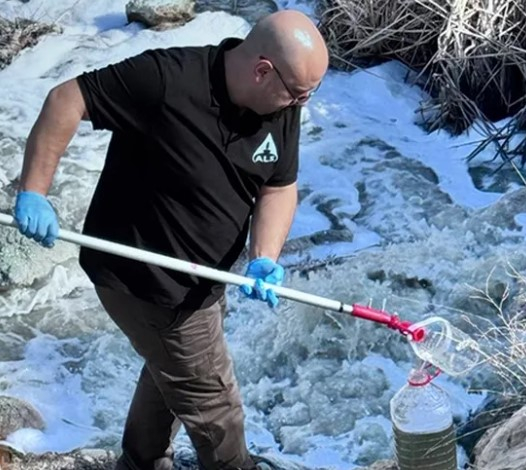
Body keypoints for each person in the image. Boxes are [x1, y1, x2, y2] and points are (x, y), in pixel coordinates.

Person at [12, 9, 329, 470]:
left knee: (174, 371)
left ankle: (141, 461)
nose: (301, 105)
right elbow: (67, 99)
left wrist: (264, 256)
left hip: (205, 276)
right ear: (263, 70)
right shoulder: (166, 79)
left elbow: (279, 185)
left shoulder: (280, 104)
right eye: (297, 94)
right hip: (147, 282)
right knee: (217, 408)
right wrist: (34, 192)